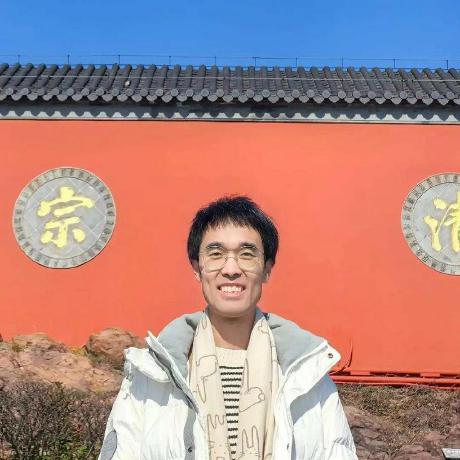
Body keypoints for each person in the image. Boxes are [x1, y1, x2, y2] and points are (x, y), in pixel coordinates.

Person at [98, 196, 357, 460]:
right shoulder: (152, 376)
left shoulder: (307, 378)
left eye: (247, 254)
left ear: (267, 269)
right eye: (216, 254)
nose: (231, 269)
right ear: (197, 268)